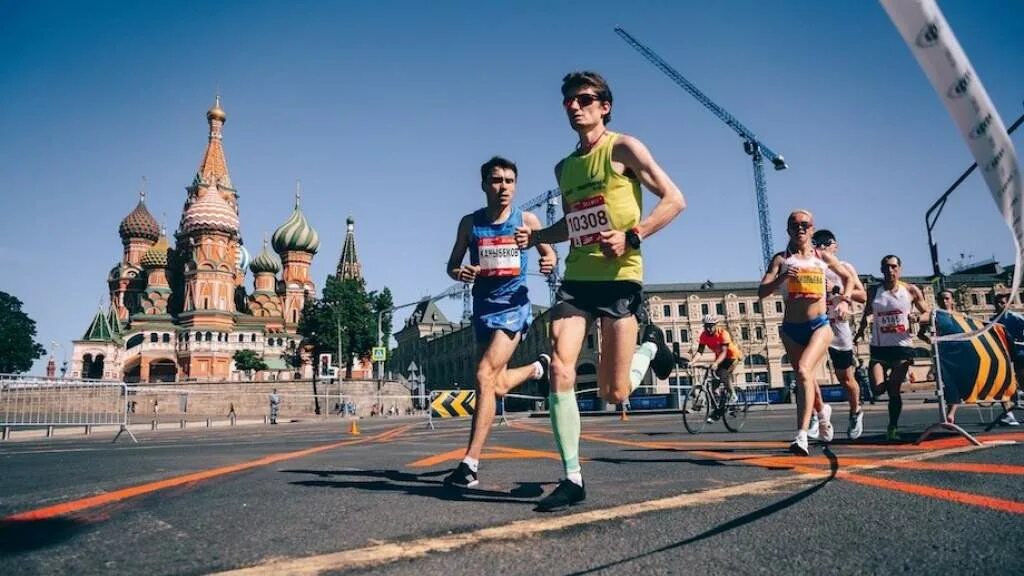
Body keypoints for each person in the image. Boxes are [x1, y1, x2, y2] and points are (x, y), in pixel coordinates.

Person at [515, 71, 685, 510]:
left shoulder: (624, 147)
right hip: (577, 279)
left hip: (619, 279)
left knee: (615, 394)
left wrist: (634, 234)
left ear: (604, 105)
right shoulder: (565, 167)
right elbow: (570, 226)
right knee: (560, 367)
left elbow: (674, 199)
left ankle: (650, 346)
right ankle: (572, 476)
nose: (575, 106)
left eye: (584, 99)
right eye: (568, 101)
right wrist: (536, 239)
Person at [441, 156, 557, 489]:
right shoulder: (470, 224)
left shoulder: (527, 220)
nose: (503, 187)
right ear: (484, 185)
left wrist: (548, 261)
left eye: (509, 180)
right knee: (496, 384)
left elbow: (549, 254)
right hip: (483, 308)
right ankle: (537, 368)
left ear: (515, 185)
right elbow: (452, 265)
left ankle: (470, 464)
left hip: (514, 306)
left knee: (482, 375)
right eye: (496, 180)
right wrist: (460, 273)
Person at [758, 210, 855, 456]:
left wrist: (844, 300)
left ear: (812, 229)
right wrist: (780, 279)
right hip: (791, 329)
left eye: (805, 224)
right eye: (795, 225)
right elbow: (761, 292)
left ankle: (801, 435)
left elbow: (848, 278)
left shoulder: (822, 257)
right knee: (806, 378)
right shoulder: (781, 259)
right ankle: (822, 414)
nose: (800, 228)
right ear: (788, 229)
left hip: (820, 326)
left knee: (803, 370)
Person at [854, 255, 930, 440]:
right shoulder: (874, 291)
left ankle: (892, 427)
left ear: (900, 269)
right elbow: (867, 314)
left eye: (894, 267)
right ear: (881, 269)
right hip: (879, 348)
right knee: (879, 389)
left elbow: (928, 312)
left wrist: (918, 318)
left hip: (902, 347)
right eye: (886, 267)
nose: (890, 271)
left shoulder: (911, 290)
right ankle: (888, 388)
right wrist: (860, 332)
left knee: (894, 388)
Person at [811, 229, 868, 439]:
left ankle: (855, 411)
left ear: (836, 246)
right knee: (806, 372)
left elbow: (862, 296)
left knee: (845, 378)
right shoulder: (812, 265)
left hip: (837, 326)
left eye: (829, 243)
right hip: (816, 324)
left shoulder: (844, 268)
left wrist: (838, 291)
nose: (824, 247)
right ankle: (818, 412)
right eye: (819, 243)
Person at [695, 314, 742, 422]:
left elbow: (724, 352)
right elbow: (699, 351)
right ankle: (718, 409)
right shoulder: (703, 335)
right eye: (706, 326)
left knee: (723, 374)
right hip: (719, 358)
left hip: (732, 357)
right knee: (714, 384)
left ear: (716, 325)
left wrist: (715, 363)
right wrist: (692, 362)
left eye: (711, 326)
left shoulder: (723, 334)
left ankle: (733, 395)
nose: (708, 328)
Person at [991, 292, 1021, 426]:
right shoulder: (992, 320)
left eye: (1003, 303)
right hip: (1002, 357)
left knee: (1020, 383)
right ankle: (1008, 414)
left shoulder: (1016, 317)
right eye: (998, 303)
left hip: (1019, 355)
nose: (1000, 305)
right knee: (1002, 385)